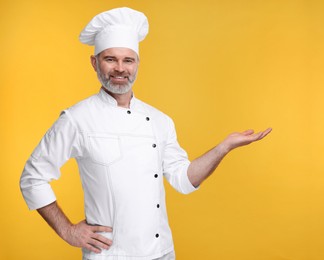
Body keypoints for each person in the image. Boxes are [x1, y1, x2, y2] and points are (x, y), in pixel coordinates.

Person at [19, 7, 272, 260]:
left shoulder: (160, 121)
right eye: (110, 59)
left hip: (162, 252)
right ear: (94, 62)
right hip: (110, 256)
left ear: (137, 63)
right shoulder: (77, 118)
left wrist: (223, 147)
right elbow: (33, 176)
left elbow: (183, 180)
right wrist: (67, 230)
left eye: (128, 60)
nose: (120, 68)